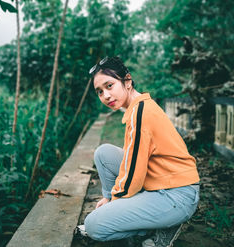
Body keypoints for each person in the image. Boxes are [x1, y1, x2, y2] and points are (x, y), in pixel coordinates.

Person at [76, 56, 200, 247]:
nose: (105, 96)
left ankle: (164, 225)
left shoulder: (141, 113)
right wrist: (109, 196)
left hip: (176, 195)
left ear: (127, 81)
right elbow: (132, 161)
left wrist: (114, 201)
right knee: (103, 153)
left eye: (109, 86)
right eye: (99, 92)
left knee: (94, 226)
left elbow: (133, 174)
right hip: (160, 182)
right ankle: (143, 217)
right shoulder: (138, 108)